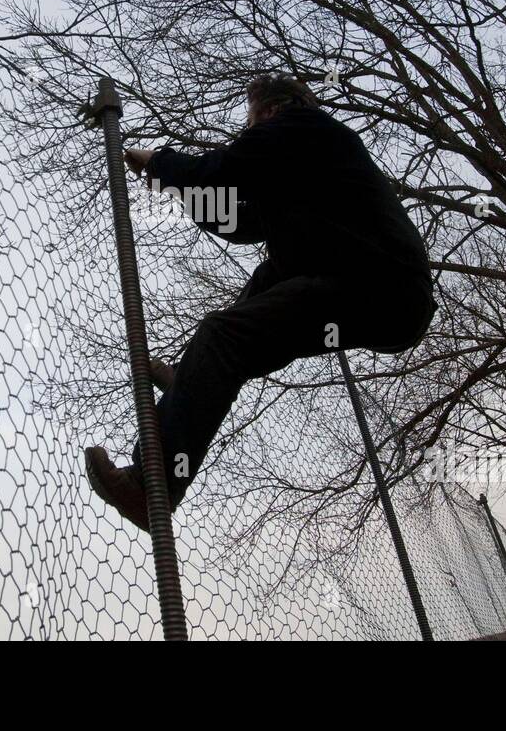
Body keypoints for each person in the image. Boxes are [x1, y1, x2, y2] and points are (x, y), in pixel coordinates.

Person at [85, 72, 434, 531]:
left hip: (380, 284)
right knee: (252, 299)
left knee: (223, 335)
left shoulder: (302, 127)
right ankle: (192, 382)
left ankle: (155, 486)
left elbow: (226, 168)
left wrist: (158, 163)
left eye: (251, 118)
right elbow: (236, 221)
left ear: (270, 109)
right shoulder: (300, 167)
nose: (249, 128)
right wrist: (168, 183)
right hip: (375, 290)